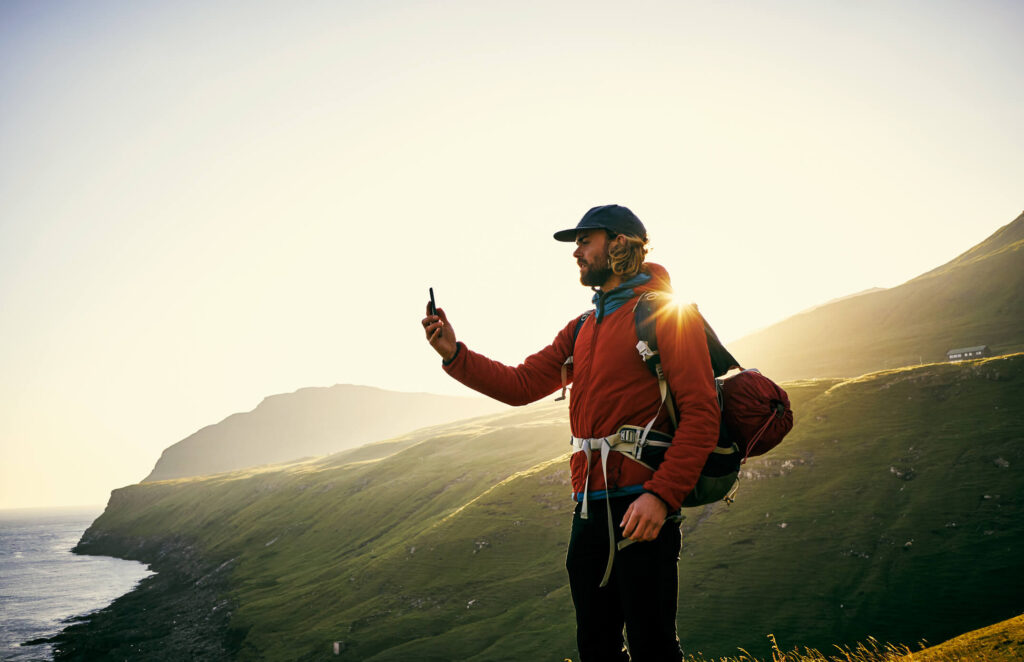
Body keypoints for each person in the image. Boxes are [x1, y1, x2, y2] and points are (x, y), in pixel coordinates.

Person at [420, 204, 720, 661]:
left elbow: (702, 414)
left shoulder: (666, 315)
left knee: (652, 646)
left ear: (620, 244)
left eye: (585, 241)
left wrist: (661, 496)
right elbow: (521, 385)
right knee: (596, 647)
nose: (576, 253)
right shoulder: (582, 327)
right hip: (589, 510)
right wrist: (454, 353)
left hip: (643, 505)